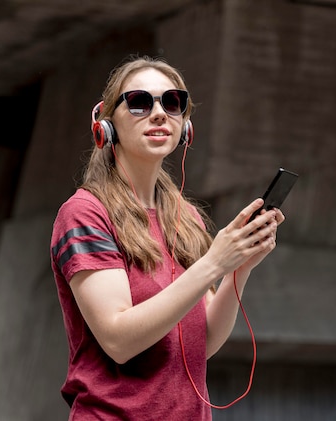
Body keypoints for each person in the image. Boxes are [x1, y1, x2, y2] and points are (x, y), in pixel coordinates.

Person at [50, 55, 284, 420]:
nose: (159, 113)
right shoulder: (85, 213)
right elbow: (119, 340)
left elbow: (201, 342)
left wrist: (239, 269)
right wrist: (213, 263)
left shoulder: (184, 216)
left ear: (184, 126)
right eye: (140, 102)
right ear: (107, 126)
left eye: (171, 102)